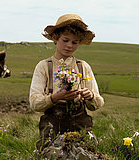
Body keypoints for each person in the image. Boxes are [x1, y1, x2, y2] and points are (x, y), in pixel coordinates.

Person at [29, 14, 104, 150]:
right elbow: (34, 103)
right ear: (55, 38)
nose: (69, 45)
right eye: (65, 40)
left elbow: (97, 103)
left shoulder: (83, 66)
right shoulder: (44, 66)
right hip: (52, 125)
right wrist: (54, 98)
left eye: (74, 42)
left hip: (81, 123)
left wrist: (90, 96)